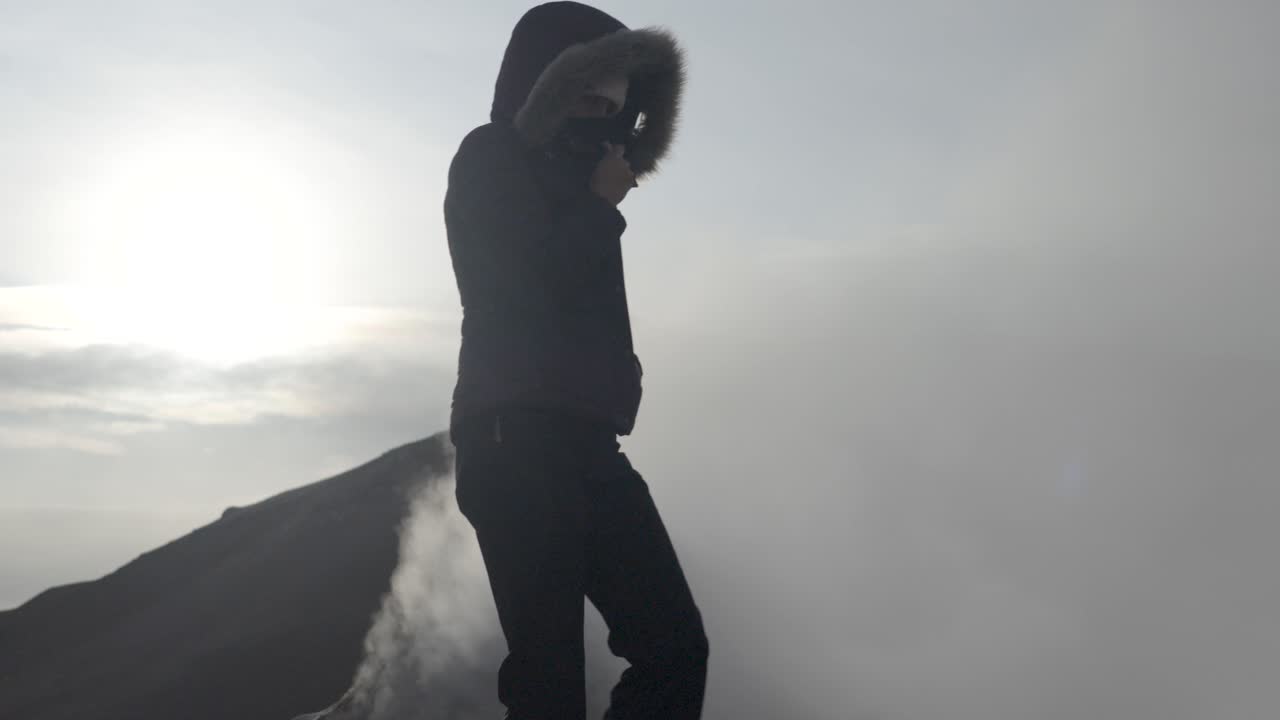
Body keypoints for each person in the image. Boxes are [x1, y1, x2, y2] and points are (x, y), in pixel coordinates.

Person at [443, 3, 706, 719]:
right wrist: (600, 205)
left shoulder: (587, 176)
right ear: (540, 79)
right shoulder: (491, 155)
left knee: (676, 647)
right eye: (584, 77)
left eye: (618, 80)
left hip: (588, 444)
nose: (605, 94)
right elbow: (517, 289)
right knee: (549, 686)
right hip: (514, 441)